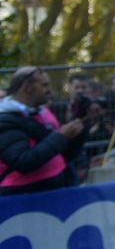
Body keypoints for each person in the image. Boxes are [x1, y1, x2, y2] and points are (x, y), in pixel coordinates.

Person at [0, 66, 87, 195]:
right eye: (44, 85)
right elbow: (23, 161)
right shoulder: (5, 120)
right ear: (27, 88)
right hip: (24, 196)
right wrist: (61, 137)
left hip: (54, 187)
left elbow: (62, 153)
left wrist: (81, 126)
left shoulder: (42, 112)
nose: (49, 90)